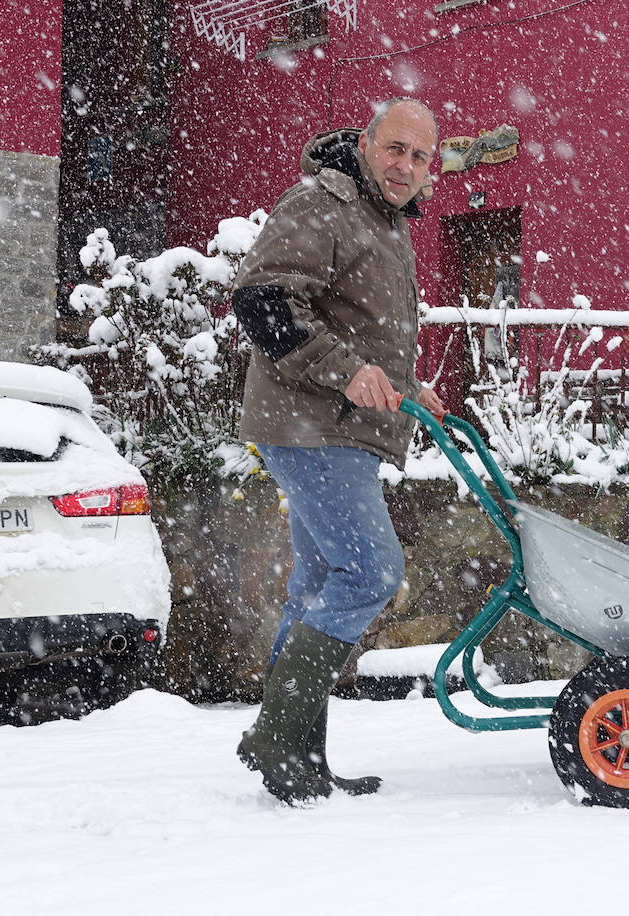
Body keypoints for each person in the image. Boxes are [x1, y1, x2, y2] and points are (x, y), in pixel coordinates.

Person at [230, 97, 446, 805]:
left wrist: (408, 387)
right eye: (395, 148)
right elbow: (263, 303)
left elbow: (359, 328)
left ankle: (296, 755)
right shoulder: (323, 202)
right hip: (311, 425)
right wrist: (346, 374)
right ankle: (276, 735)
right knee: (372, 572)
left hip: (337, 428)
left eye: (418, 156)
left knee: (319, 585)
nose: (404, 165)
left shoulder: (381, 222)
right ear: (365, 142)